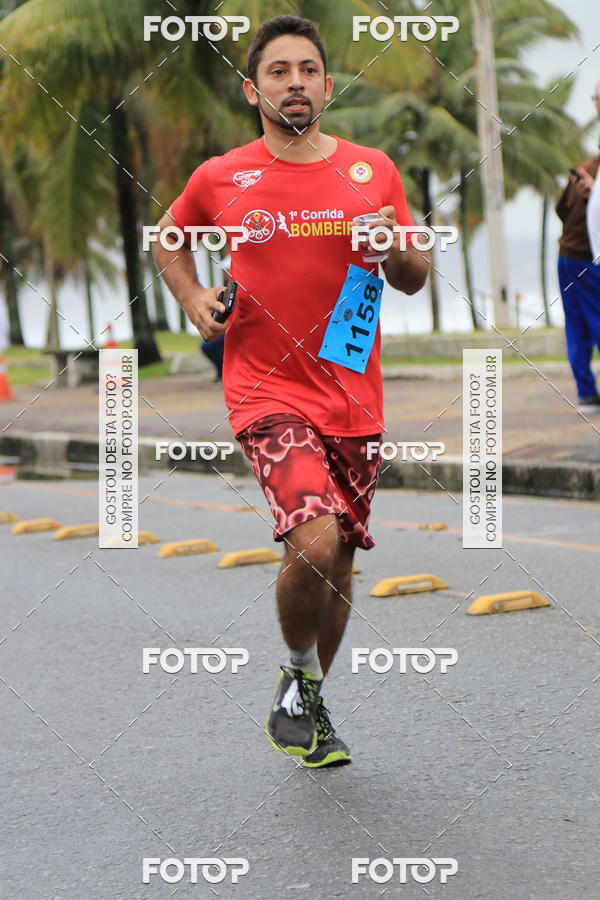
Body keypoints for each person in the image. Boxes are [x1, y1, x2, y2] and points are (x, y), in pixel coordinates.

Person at [152, 15, 428, 767]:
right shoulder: (222, 175)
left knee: (339, 564)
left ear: (328, 86)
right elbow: (167, 237)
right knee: (313, 537)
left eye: (308, 69)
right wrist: (190, 298)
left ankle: (307, 697)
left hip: (353, 396)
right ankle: (300, 683)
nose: (295, 82)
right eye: (278, 71)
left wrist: (394, 245)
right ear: (253, 89)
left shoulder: (373, 170)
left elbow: (414, 275)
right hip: (264, 391)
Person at [556, 85, 600, 413]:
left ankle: (586, 390)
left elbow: (560, 210)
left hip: (570, 256)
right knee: (588, 322)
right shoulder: (590, 169)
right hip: (583, 257)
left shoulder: (585, 170)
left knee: (580, 324)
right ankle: (586, 390)